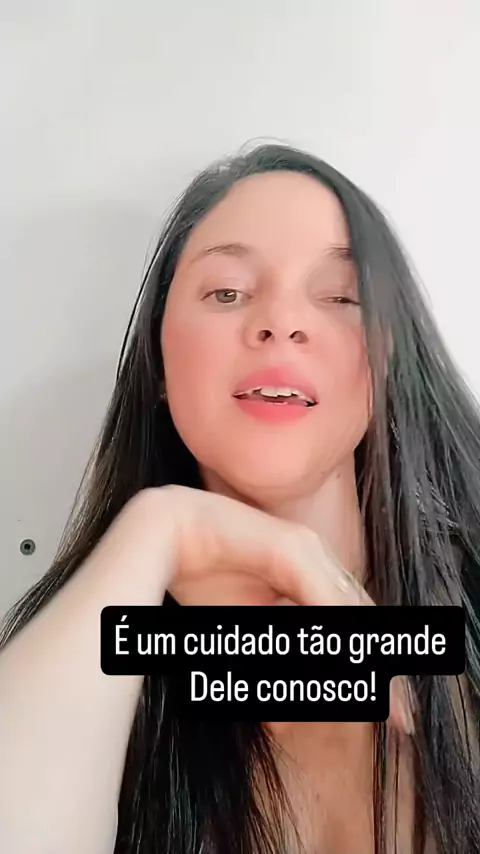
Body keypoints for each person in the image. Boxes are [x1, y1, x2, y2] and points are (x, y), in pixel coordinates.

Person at [0, 143, 479, 854]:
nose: (281, 321)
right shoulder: (90, 659)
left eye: (340, 296)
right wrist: (159, 530)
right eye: (227, 292)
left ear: (387, 364)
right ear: (160, 363)